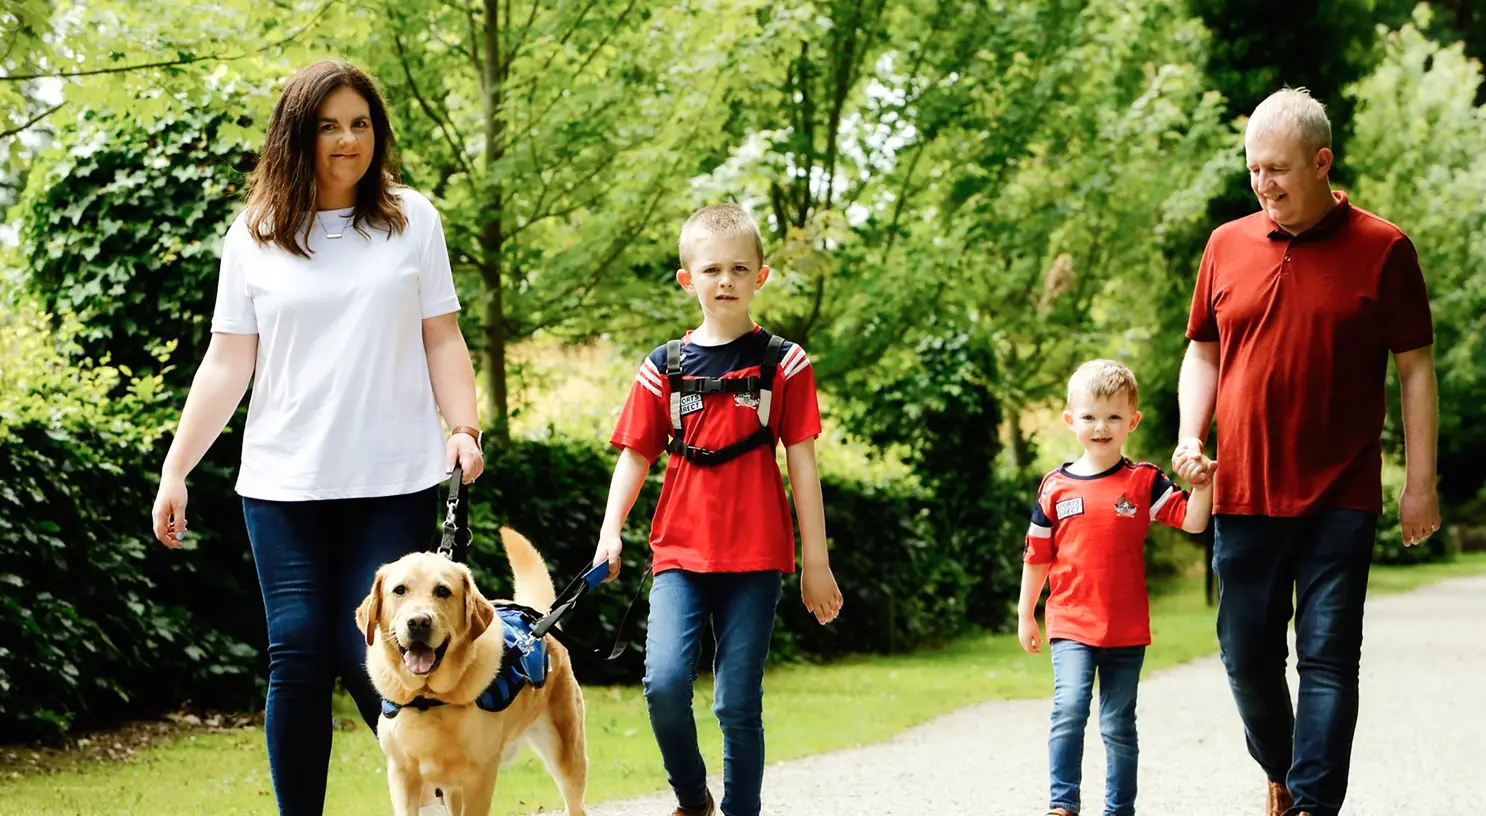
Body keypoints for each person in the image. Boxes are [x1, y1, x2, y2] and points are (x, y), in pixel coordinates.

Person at [149, 59, 483, 816]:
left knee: (380, 651)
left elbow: (443, 339)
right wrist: (177, 468)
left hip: (393, 477)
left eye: (360, 124)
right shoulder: (258, 232)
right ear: (297, 134)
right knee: (297, 655)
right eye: (330, 125)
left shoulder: (411, 219)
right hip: (283, 484)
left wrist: (462, 428)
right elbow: (228, 361)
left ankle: (432, 801)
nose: (347, 139)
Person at [1170, 87, 1439, 816]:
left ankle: (1313, 805)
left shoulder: (1384, 249)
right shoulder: (1226, 244)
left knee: (1326, 658)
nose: (1264, 184)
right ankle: (1284, 772)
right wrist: (1191, 435)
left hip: (1340, 494)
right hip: (1244, 488)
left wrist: (1421, 483)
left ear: (1322, 163)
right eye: (1254, 170)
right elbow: (1203, 351)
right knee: (1247, 659)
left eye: (1279, 169)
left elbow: (1415, 367)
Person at [590, 203, 844, 816]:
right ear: (688, 279)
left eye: (738, 268)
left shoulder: (785, 363)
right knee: (665, 685)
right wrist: (609, 535)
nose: (724, 280)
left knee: (736, 702)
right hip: (679, 551)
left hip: (757, 557)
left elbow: (802, 463)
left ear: (761, 276)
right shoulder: (663, 368)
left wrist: (816, 562)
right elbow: (634, 457)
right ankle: (690, 796)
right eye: (711, 270)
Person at [1018, 359, 1213, 816]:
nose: (1100, 427)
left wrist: (1205, 482)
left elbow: (1193, 519)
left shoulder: (1143, 482)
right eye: (1088, 417)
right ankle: (1063, 804)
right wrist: (1027, 613)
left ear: (1132, 421)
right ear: (1071, 421)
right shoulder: (1055, 488)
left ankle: (1118, 809)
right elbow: (1037, 557)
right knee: (1069, 710)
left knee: (1117, 724)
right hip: (1070, 622)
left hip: (1125, 628)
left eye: (1112, 417)